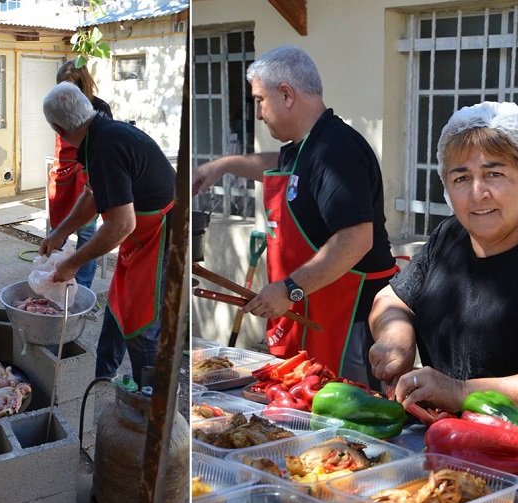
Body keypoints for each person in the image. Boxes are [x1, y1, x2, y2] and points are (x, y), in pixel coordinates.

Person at [368, 101, 518, 457]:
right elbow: (391, 298)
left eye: (494, 174)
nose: (477, 192)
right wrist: (396, 338)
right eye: (461, 178)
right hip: (448, 443)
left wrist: (460, 391)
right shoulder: (449, 237)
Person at [192, 45, 397, 388]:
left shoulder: (336, 150)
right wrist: (225, 165)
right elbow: (279, 166)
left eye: (259, 99)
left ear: (286, 94)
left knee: (348, 419)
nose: (258, 113)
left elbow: (357, 238)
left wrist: (289, 290)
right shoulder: (306, 146)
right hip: (317, 308)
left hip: (350, 320)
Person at [39, 82, 176, 386]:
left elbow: (120, 225)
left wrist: (72, 262)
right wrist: (60, 233)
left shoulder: (105, 145)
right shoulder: (98, 135)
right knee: (118, 301)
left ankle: (150, 401)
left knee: (143, 321)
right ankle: (104, 375)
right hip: (140, 238)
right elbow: (92, 196)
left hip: (162, 238)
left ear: (58, 128)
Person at [48, 60, 113, 289]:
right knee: (58, 233)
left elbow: (121, 224)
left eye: (71, 87)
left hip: (86, 176)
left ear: (83, 85)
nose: (65, 94)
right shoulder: (57, 105)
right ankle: (51, 282)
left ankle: (82, 288)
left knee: (87, 234)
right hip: (62, 175)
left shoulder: (100, 109)